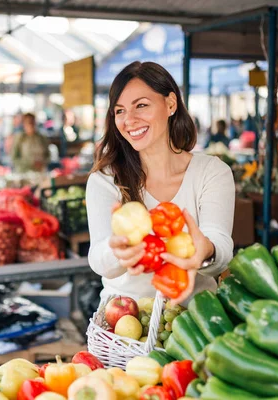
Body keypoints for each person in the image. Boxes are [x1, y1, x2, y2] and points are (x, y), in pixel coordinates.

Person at [86, 61, 235, 305]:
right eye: (120, 110)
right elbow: (100, 262)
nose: (129, 120)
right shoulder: (105, 179)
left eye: (141, 105)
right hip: (125, 323)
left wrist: (205, 251)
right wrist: (118, 251)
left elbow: (220, 245)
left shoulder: (212, 172)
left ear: (170, 104)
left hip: (196, 320)